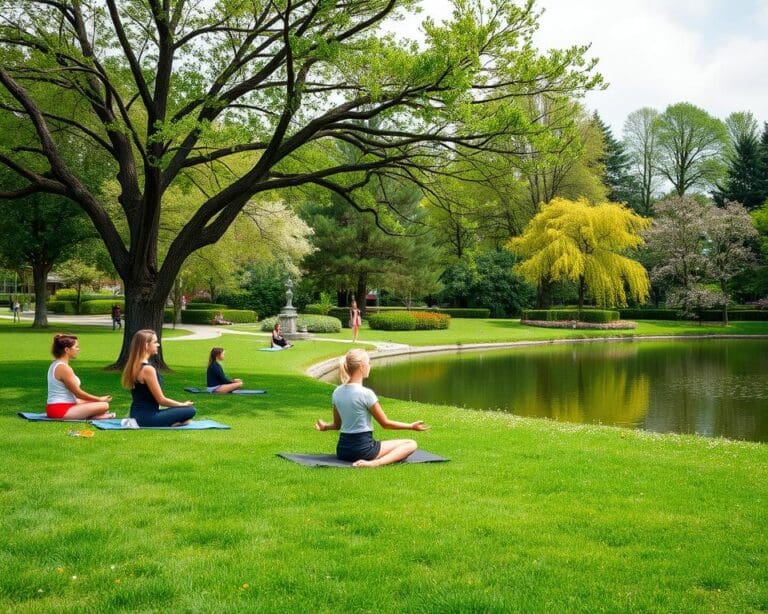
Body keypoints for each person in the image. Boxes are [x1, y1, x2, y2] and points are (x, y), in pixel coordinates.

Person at [315, 348, 428, 467]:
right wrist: (411, 426)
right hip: (363, 451)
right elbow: (385, 424)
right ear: (361, 367)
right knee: (411, 444)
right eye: (368, 362)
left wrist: (325, 427)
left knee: (397, 448)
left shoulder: (337, 392)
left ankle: (373, 460)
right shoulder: (366, 394)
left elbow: (337, 425)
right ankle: (375, 463)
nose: (370, 365)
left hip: (343, 451)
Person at [121, 329, 196, 427]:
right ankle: (174, 423)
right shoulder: (147, 369)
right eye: (155, 342)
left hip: (137, 415)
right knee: (190, 410)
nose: (158, 345)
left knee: (182, 411)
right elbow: (161, 400)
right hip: (146, 418)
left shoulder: (135, 366)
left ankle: (175, 422)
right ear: (146, 345)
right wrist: (182, 404)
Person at [46, 334, 114, 420]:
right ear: (67, 350)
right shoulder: (63, 368)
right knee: (104, 405)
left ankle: (95, 416)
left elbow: (77, 397)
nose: (78, 349)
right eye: (76, 347)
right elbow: (78, 393)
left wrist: (94, 401)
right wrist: (99, 399)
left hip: (64, 406)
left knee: (95, 404)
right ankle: (95, 416)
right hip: (60, 410)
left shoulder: (56, 364)